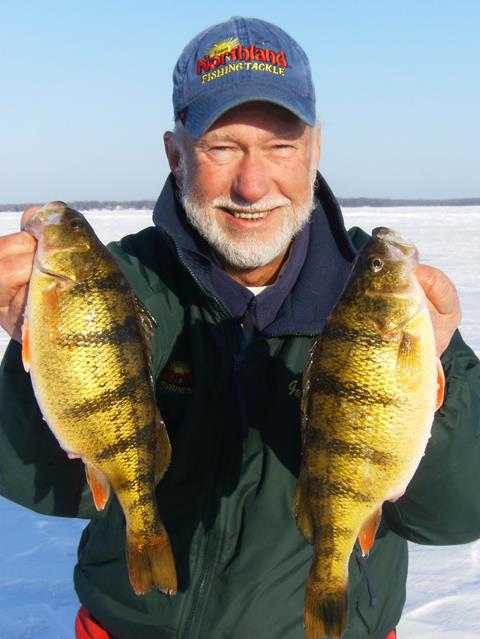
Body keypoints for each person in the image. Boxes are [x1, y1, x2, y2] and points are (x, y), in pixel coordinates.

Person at [0, 16, 479, 639]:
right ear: (176, 155)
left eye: (281, 145)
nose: (253, 186)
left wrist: (438, 370)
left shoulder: (382, 301)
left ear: (314, 150)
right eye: (221, 147)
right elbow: (42, 490)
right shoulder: (118, 284)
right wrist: (32, 351)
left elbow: (458, 514)